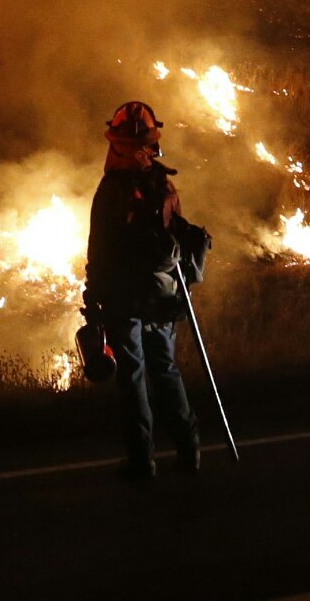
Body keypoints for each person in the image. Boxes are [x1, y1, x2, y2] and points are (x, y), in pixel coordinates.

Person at [84, 100, 209, 481]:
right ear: (152, 142)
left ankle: (142, 462)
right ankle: (189, 449)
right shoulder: (162, 183)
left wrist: (93, 291)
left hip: (125, 296)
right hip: (163, 294)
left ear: (116, 142)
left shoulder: (111, 189)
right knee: (165, 369)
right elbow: (178, 237)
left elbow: (99, 247)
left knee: (133, 376)